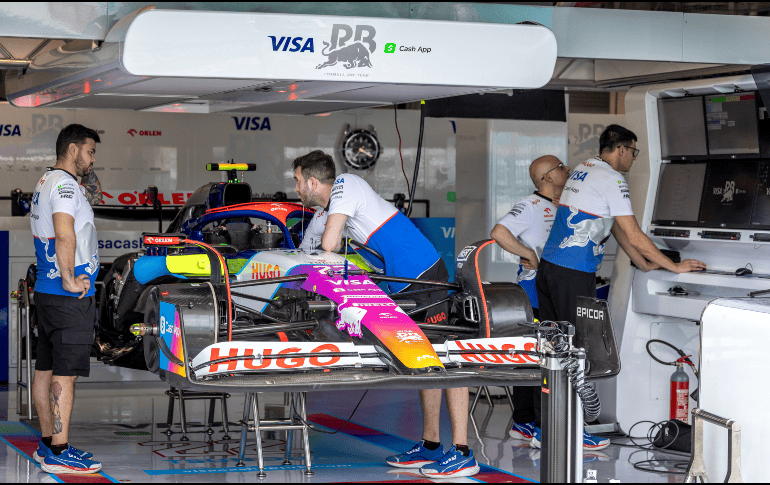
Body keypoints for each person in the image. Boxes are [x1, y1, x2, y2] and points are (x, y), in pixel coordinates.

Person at [292, 150, 479, 478]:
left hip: (423, 274)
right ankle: (431, 444)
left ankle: (463, 451)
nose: (295, 189)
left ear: (311, 181)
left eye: (297, 182)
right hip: (403, 283)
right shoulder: (330, 208)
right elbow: (310, 251)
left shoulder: (345, 185)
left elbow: (330, 243)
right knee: (424, 362)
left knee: (445, 359)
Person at [535, 124, 706, 450]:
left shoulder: (584, 169)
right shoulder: (612, 178)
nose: (633, 159)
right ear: (622, 149)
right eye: (633, 152)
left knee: (553, 351)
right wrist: (674, 266)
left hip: (550, 270)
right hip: (573, 273)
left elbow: (613, 228)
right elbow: (635, 232)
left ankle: (549, 428)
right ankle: (574, 431)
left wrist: (643, 265)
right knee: (577, 352)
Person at [30, 124, 103, 475]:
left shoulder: (46, 181)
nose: (92, 159)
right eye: (90, 151)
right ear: (72, 150)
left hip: (47, 293)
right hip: (66, 297)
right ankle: (59, 449)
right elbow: (64, 234)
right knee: (65, 373)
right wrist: (72, 280)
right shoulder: (64, 184)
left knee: (45, 367)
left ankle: (47, 446)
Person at [489, 155, 569, 445]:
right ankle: (530, 422)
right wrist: (528, 254)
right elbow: (499, 232)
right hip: (533, 291)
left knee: (537, 356)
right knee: (539, 357)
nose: (567, 169)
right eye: (561, 166)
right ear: (546, 177)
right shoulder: (532, 204)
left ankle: (525, 421)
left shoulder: (558, 205)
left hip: (548, 288)